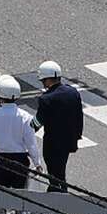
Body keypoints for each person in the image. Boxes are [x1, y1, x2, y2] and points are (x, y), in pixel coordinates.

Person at [34, 60, 83, 192]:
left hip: (52, 144)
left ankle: (59, 196)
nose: (43, 84)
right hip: (68, 141)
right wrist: (77, 136)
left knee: (55, 174)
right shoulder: (73, 93)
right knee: (61, 170)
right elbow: (79, 117)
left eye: (43, 81)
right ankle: (60, 191)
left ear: (48, 80)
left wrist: (28, 125)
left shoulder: (46, 99)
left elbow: (37, 123)